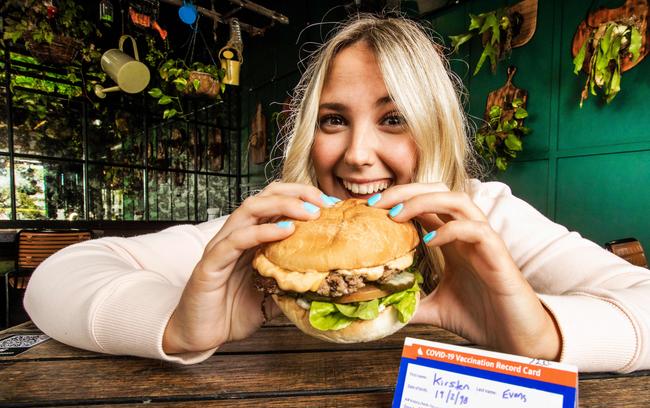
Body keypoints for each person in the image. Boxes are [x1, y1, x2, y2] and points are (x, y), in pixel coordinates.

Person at [25, 15, 650, 372]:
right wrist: (178, 324)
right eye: (333, 120)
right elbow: (56, 277)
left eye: (394, 117)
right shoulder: (284, 224)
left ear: (434, 127)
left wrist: (543, 334)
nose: (356, 153)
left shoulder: (485, 216)